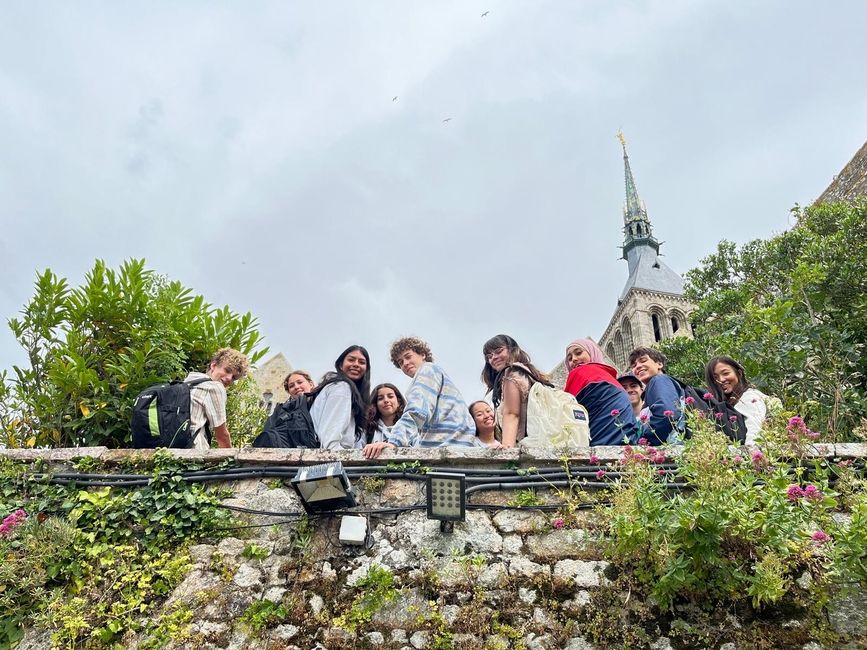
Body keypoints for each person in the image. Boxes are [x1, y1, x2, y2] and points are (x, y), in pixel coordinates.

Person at [363, 337, 479, 458]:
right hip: (459, 445)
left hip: (445, 447)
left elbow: (417, 411)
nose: (405, 363)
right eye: (400, 362)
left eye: (408, 357)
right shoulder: (437, 374)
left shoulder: (427, 370)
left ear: (423, 354)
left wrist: (394, 441)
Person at [480, 334, 552, 448]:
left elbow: (512, 413)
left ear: (512, 350)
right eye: (489, 356)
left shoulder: (511, 373)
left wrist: (507, 449)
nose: (493, 357)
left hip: (528, 445)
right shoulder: (529, 374)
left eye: (498, 351)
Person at [563, 338, 637, 446]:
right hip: (629, 444)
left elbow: (563, 412)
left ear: (592, 352)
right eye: (569, 359)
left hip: (601, 446)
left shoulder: (579, 372)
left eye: (578, 353)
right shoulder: (612, 379)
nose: (574, 359)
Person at [704, 356, 780, 444]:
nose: (721, 380)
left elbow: (755, 429)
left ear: (739, 373)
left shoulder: (749, 398)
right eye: (715, 378)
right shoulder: (729, 402)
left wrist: (752, 453)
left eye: (725, 373)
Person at [309, 345, 371, 450]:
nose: (356, 364)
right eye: (351, 360)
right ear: (341, 365)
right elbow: (330, 443)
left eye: (361, 362)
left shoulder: (339, 387)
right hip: (330, 461)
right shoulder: (341, 387)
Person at [185, 347, 249, 449]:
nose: (229, 378)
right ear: (213, 365)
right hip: (193, 451)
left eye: (234, 377)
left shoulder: (187, 382)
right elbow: (222, 435)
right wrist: (231, 460)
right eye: (227, 370)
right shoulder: (215, 387)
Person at [628, 347, 685, 446]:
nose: (638, 367)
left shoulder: (659, 380)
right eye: (634, 366)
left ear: (659, 364)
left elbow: (667, 415)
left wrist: (643, 443)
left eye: (643, 360)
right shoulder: (653, 388)